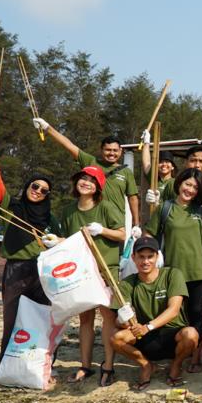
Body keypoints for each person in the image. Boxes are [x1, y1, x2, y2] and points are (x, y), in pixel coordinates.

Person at [0, 134, 53, 363]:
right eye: (35, 186)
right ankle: (5, 365)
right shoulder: (12, 208)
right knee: (11, 319)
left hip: (41, 272)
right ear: (28, 185)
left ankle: (40, 365)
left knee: (42, 318)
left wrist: (57, 240)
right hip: (15, 270)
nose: (38, 191)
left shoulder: (50, 218)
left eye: (44, 190)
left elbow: (67, 240)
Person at [48, 165, 125, 385]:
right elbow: (69, 241)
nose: (86, 183)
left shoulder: (106, 207)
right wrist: (56, 241)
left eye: (92, 180)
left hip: (105, 268)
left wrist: (102, 230)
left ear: (98, 186)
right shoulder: (68, 211)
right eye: (83, 178)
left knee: (108, 316)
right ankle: (85, 366)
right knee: (85, 318)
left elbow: (122, 234)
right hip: (80, 271)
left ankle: (108, 366)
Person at [144, 167, 202, 371]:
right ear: (179, 184)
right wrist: (151, 254)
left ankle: (195, 357)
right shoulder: (165, 208)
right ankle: (176, 353)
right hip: (173, 272)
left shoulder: (201, 209)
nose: (190, 190)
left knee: (196, 314)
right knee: (175, 314)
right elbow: (149, 234)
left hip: (199, 271)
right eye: (187, 184)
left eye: (195, 187)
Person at [111, 236, 199, 389]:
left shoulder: (172, 274)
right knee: (115, 338)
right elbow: (118, 321)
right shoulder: (126, 284)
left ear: (157, 256)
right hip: (143, 336)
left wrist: (148, 327)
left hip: (172, 333)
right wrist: (123, 320)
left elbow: (173, 310)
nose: (145, 261)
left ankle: (176, 365)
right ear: (133, 258)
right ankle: (146, 365)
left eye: (150, 256)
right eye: (141, 257)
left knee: (191, 334)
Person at [31, 118, 140, 235]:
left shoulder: (126, 172)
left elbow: (133, 198)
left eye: (115, 150)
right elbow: (68, 145)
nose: (112, 153)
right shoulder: (91, 162)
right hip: (90, 219)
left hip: (115, 222)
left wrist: (136, 223)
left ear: (121, 151)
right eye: (108, 150)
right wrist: (47, 127)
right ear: (101, 150)